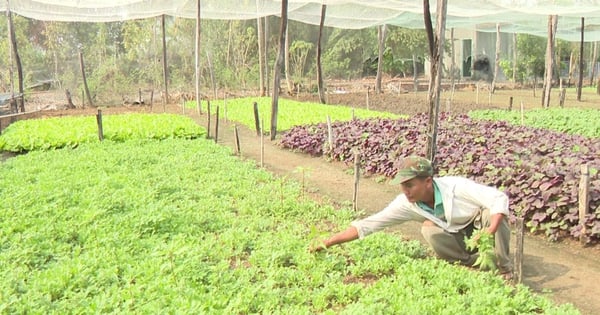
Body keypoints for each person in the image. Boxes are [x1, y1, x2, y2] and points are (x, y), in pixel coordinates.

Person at [311, 155, 513, 279]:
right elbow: (370, 224)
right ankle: (473, 261)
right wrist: (329, 241)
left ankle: (504, 268)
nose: (405, 191)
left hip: (478, 225)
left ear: (427, 182)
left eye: (410, 185)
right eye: (403, 186)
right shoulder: (406, 203)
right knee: (428, 229)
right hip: (457, 235)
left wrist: (489, 231)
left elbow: (498, 198)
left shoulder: (456, 186)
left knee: (492, 214)